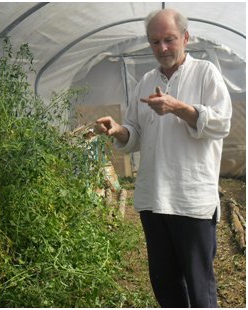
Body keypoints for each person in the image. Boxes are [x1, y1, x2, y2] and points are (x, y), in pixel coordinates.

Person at [95, 8, 232, 308]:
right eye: (155, 41)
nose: (163, 48)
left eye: (169, 39)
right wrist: (118, 129)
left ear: (185, 37)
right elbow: (135, 133)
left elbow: (222, 124)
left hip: (191, 200)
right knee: (165, 282)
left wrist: (178, 108)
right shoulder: (146, 81)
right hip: (154, 199)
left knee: (200, 286)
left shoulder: (205, 73)